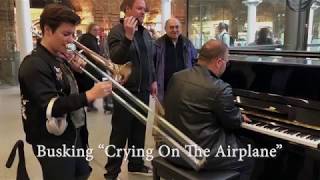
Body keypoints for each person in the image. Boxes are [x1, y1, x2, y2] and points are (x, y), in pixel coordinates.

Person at [18, 4, 112, 180]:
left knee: (82, 173)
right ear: (47, 30)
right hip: (51, 140)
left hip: (72, 132)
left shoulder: (59, 58)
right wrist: (90, 95)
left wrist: (79, 73)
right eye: (66, 34)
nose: (71, 40)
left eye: (73, 34)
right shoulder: (34, 65)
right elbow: (52, 107)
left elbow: (76, 90)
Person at [164, 40, 254, 180]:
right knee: (249, 156)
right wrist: (239, 116)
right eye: (227, 62)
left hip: (172, 149)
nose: (226, 65)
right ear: (219, 62)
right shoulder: (219, 87)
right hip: (201, 156)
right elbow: (232, 123)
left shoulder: (177, 77)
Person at [104, 0, 157, 179]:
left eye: (144, 8)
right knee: (120, 133)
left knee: (139, 129)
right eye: (139, 8)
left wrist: (154, 79)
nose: (144, 11)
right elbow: (116, 58)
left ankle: (136, 164)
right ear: (127, 9)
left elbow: (150, 59)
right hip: (125, 91)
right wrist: (128, 37)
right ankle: (111, 172)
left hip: (143, 89)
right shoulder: (117, 32)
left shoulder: (145, 33)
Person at [154, 17, 197, 102]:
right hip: (165, 88)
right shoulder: (158, 45)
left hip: (185, 88)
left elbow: (194, 62)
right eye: (171, 27)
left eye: (177, 27)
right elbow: (153, 65)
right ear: (165, 29)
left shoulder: (187, 43)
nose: (174, 30)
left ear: (180, 28)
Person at [75, 23, 102, 112]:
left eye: (98, 30)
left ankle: (89, 104)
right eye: (95, 30)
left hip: (89, 66)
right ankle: (88, 104)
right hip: (89, 67)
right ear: (89, 30)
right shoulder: (88, 39)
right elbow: (93, 53)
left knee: (89, 86)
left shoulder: (90, 38)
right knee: (88, 86)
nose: (97, 32)